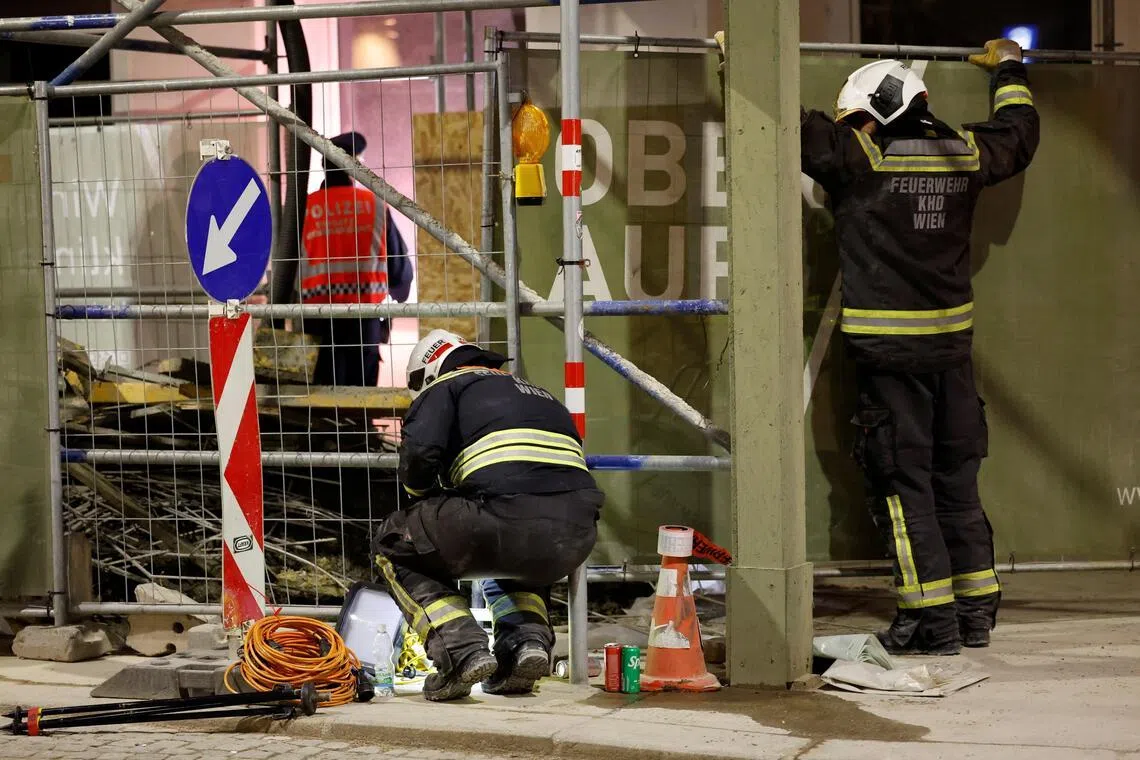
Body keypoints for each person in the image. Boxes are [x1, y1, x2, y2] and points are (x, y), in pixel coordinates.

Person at [789, 39, 1039, 654]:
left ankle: (929, 621)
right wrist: (1009, 67)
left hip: (887, 359)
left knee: (903, 487)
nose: (855, 127)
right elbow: (1020, 131)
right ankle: (976, 611)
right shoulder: (967, 152)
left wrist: (735, 59)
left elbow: (784, 124)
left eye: (859, 116)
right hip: (951, 355)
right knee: (956, 480)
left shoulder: (860, 156)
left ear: (878, 106)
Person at [370, 330, 603, 701]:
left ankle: (461, 652)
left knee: (395, 541)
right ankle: (525, 647)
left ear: (429, 371)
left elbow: (418, 460)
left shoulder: (445, 386)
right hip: (573, 536)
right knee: (513, 552)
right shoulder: (535, 391)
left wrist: (427, 505)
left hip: (502, 519)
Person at [301, 131, 414, 386]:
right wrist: (399, 292)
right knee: (360, 395)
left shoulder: (304, 209)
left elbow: (286, 265)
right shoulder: (373, 205)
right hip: (364, 318)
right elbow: (399, 270)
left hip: (317, 320)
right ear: (353, 166)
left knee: (320, 393)